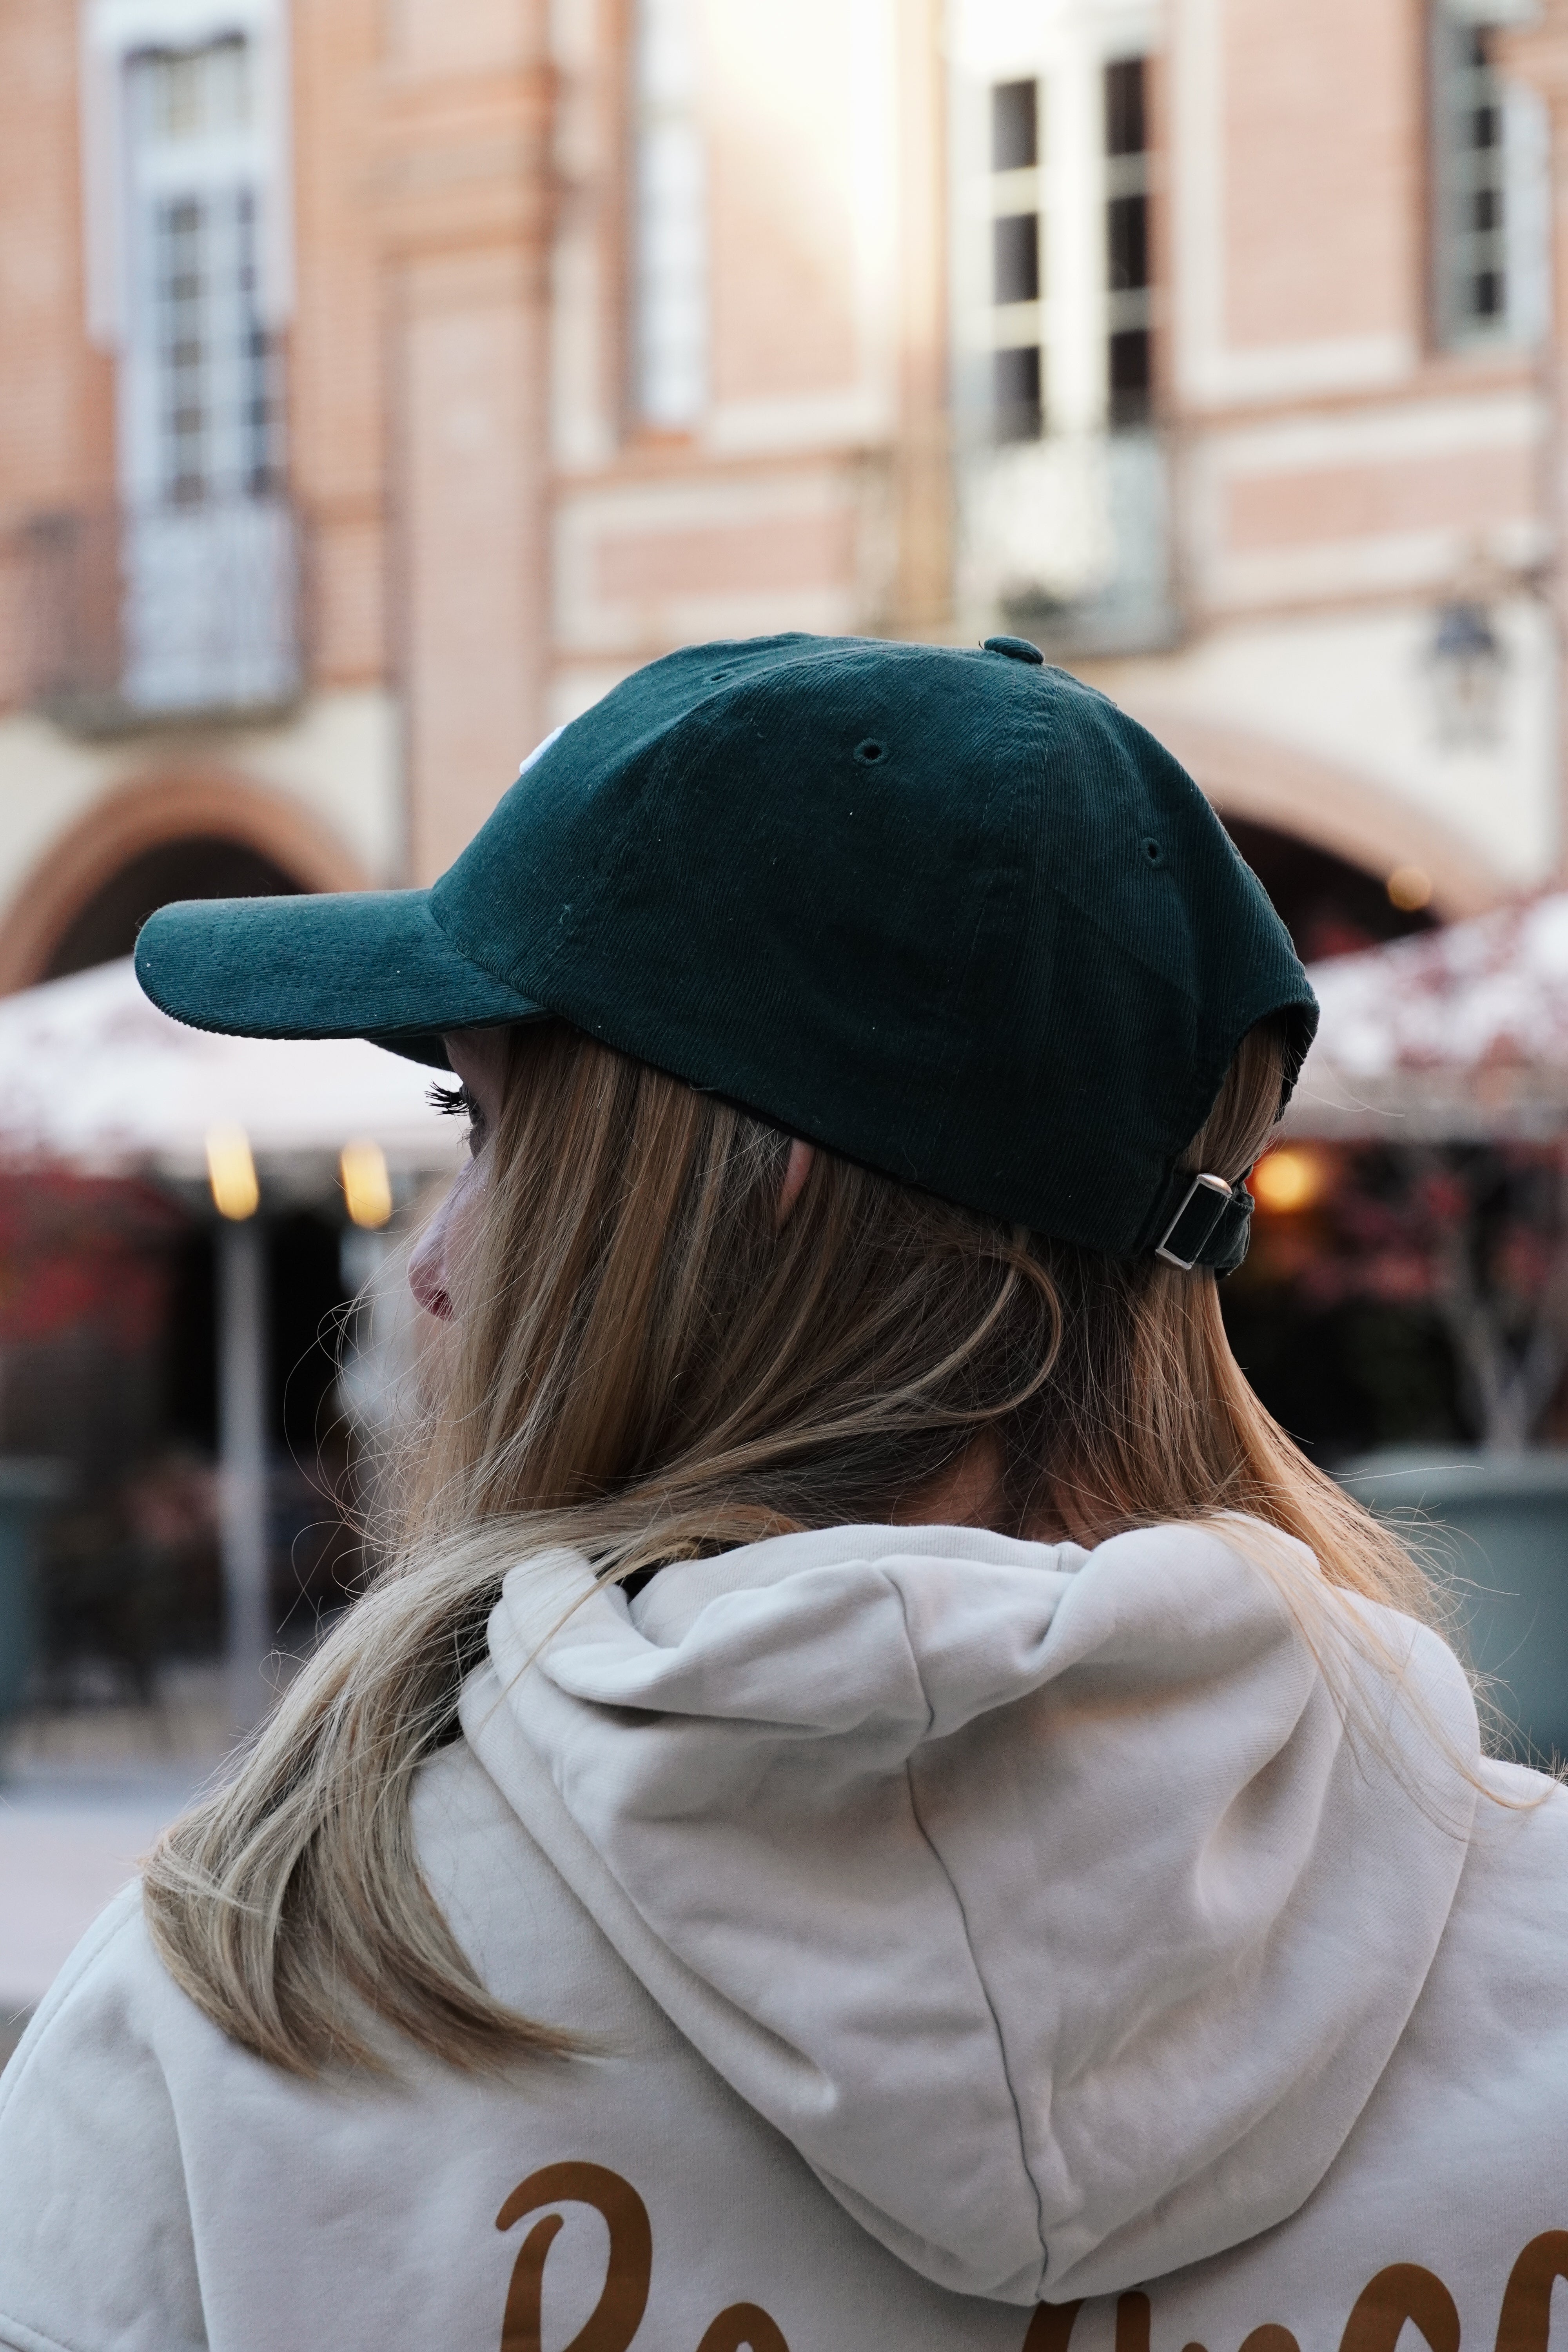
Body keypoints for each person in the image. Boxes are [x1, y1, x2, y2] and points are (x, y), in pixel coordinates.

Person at [0, 632, 1563, 2352]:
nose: (432, 1268)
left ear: (768, 1193)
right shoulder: (1534, 1952)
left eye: (490, 1130)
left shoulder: (257, 2000)